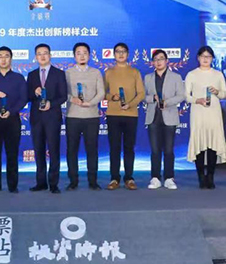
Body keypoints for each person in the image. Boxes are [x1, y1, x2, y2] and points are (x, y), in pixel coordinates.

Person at [0, 46, 27, 193]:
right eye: (0, 56)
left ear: (11, 59)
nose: (3, 59)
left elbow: (23, 99)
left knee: (12, 153)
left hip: (12, 119)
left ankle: (13, 185)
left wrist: (11, 111)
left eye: (6, 56)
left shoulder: (18, 78)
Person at [185, 46, 226, 189]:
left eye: (208, 56)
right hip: (198, 112)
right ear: (198, 58)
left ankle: (210, 176)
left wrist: (217, 92)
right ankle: (200, 176)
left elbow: (225, 94)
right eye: (203, 56)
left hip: (213, 112)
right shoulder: (192, 74)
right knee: (199, 143)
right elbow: (186, 96)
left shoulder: (218, 74)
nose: (205, 59)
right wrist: (197, 100)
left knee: (212, 144)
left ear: (212, 59)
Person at [103, 42, 145, 190]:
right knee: (114, 147)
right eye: (118, 51)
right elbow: (103, 93)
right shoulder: (108, 72)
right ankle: (114, 178)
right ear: (114, 54)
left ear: (128, 54)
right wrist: (112, 97)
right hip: (113, 114)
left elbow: (141, 93)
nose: (121, 54)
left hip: (131, 114)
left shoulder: (135, 72)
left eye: (123, 51)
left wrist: (130, 104)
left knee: (129, 147)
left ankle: (129, 177)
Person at [27, 43, 68, 193]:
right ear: (35, 57)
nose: (42, 56)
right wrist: (34, 92)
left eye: (45, 53)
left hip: (52, 118)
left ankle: (53, 183)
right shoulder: (32, 75)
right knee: (38, 151)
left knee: (54, 150)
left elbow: (63, 96)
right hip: (37, 118)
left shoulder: (59, 74)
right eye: (39, 54)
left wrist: (51, 103)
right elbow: (27, 96)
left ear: (50, 55)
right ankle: (41, 182)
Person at [65, 42, 105, 190]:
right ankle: (73, 181)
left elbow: (101, 93)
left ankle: (93, 181)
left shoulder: (96, 72)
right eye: (78, 53)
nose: (82, 56)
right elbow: (63, 92)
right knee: (72, 150)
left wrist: (90, 103)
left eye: (85, 53)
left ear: (89, 55)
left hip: (91, 116)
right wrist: (72, 99)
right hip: (73, 116)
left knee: (92, 150)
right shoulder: (68, 73)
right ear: (74, 56)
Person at [143, 49, 185, 189]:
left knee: (168, 150)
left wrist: (168, 102)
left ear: (167, 61)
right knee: (155, 150)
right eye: (156, 59)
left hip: (169, 116)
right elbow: (143, 96)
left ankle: (169, 178)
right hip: (153, 117)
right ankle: (155, 177)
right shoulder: (148, 78)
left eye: (161, 59)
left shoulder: (176, 77)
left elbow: (181, 95)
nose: (158, 62)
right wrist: (152, 98)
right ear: (152, 62)